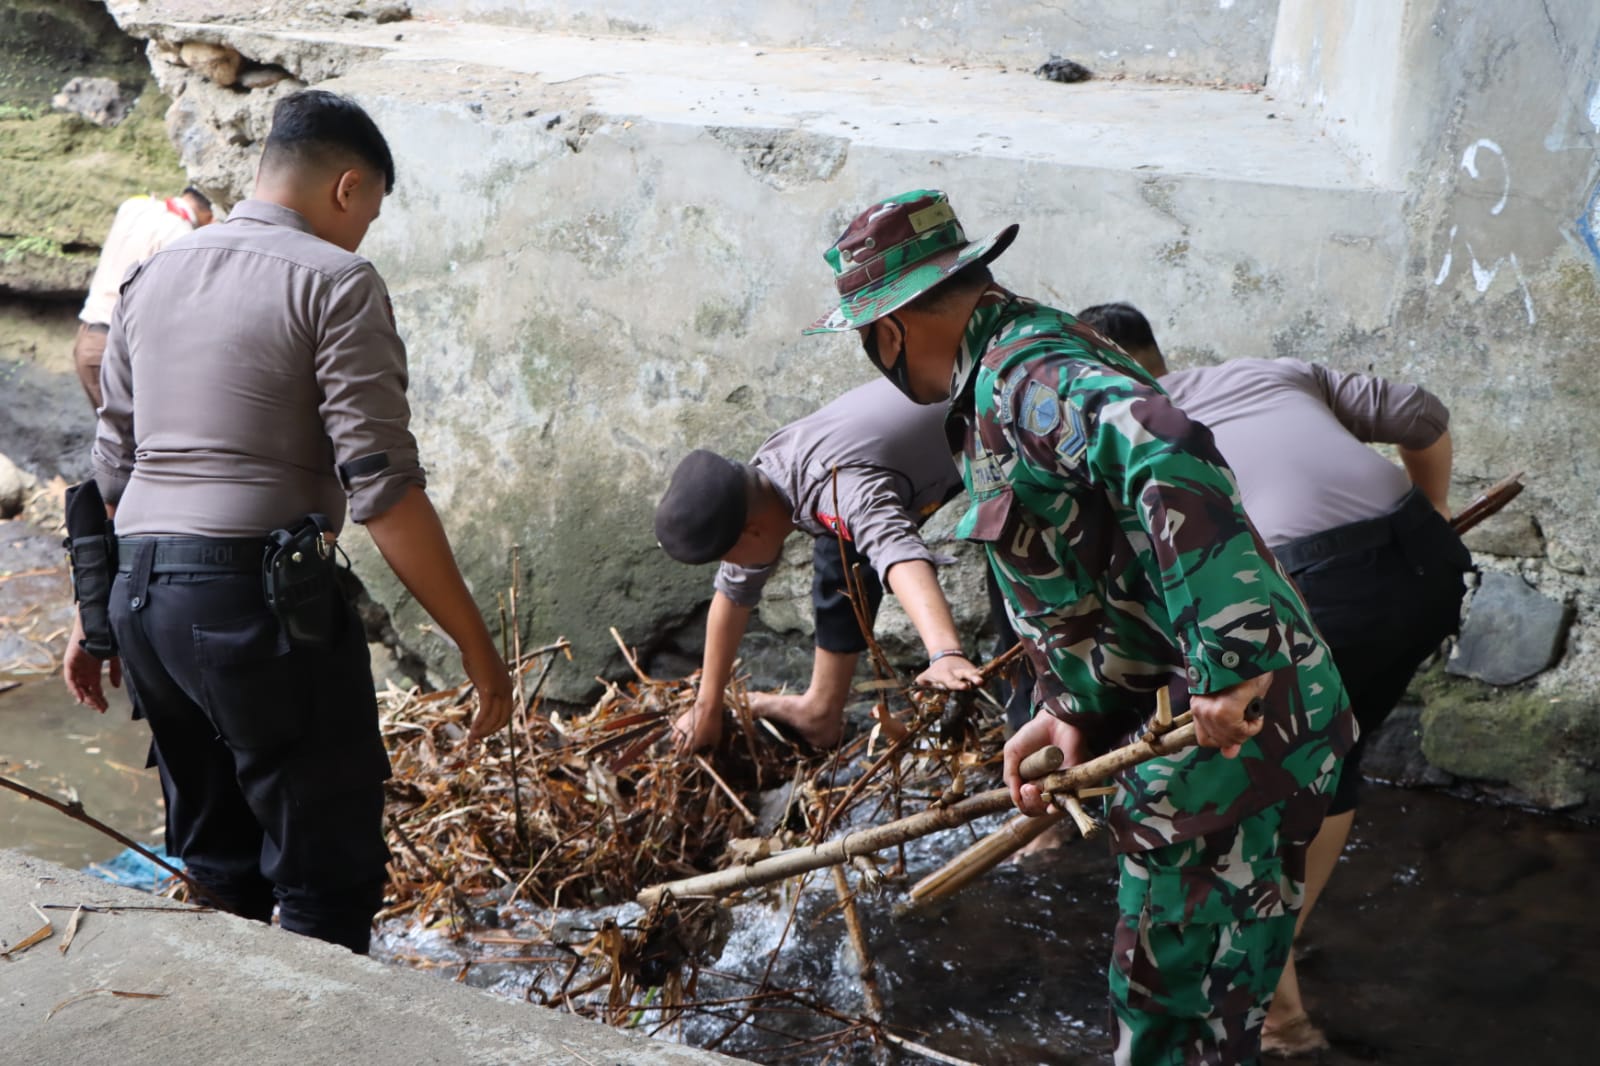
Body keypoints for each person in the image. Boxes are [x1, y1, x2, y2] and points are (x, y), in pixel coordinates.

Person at [804, 189, 1356, 1065]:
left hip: (1230, 723)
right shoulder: (1010, 368)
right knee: (1203, 1007)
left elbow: (1166, 445)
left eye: (867, 338)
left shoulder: (1032, 376)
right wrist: (1076, 708)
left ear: (894, 326)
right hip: (1225, 718)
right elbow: (1119, 571)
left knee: (1172, 1018)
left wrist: (1229, 665)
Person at [60, 90, 514, 955]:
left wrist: (97, 617)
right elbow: (383, 490)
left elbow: (111, 474)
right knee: (324, 882)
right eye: (369, 213)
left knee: (219, 861)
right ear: (347, 188)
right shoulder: (337, 281)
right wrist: (477, 650)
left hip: (144, 604)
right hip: (253, 606)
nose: (363, 233)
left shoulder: (152, 276)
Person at [1077, 301, 1471, 1056]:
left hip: (1312, 587)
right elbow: (1423, 415)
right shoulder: (1270, 371)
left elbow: (1154, 591)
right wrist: (1437, 507)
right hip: (1423, 570)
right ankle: (1283, 958)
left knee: (1237, 792)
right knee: (1333, 750)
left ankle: (1283, 1010)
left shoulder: (1120, 428)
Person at [654, 377, 985, 752]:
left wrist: (945, 653)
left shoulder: (839, 490)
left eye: (727, 556)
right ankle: (820, 711)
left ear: (752, 532)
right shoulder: (771, 474)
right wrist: (707, 706)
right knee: (840, 553)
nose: (731, 567)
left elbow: (899, 552)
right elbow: (732, 593)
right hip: (947, 430)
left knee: (1013, 563)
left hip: (1007, 424)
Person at [73, 187, 216, 410]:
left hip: (89, 340)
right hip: (117, 351)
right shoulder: (181, 234)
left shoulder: (133, 206)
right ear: (211, 217)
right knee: (131, 438)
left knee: (117, 436)